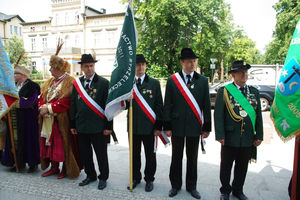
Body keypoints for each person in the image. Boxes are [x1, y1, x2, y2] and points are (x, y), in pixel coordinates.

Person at [163, 48, 211, 199]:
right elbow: (167, 105)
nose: (193, 64)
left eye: (194, 61)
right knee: (176, 157)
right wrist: (167, 126)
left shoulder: (202, 80)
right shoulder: (172, 80)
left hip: (194, 125)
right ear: (182, 62)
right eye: (190, 61)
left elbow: (206, 105)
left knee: (192, 157)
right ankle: (175, 185)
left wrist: (207, 126)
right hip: (176, 125)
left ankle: (192, 186)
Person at [214, 60, 263, 200]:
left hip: (247, 137)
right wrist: (220, 135)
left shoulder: (254, 92)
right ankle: (225, 190)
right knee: (226, 166)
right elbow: (218, 115)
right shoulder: (224, 91)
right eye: (241, 72)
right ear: (233, 74)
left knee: (242, 166)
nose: (244, 74)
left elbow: (258, 115)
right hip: (230, 137)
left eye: (245, 72)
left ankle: (238, 190)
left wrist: (258, 135)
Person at [38, 41, 81, 179]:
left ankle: (65, 168)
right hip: (48, 119)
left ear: (58, 68)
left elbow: (67, 101)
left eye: (51, 68)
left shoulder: (70, 82)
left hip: (61, 120)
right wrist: (42, 108)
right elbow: (42, 96)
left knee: (62, 145)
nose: (50, 70)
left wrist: (49, 109)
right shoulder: (49, 82)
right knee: (49, 145)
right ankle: (54, 167)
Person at [70, 54, 113, 190]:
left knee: (101, 154)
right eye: (86, 66)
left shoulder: (103, 83)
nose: (89, 68)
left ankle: (103, 177)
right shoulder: (77, 84)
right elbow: (73, 105)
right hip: (82, 125)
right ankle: (90, 175)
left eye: (91, 66)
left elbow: (109, 106)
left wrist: (108, 126)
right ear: (81, 68)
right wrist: (73, 124)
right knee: (85, 153)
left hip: (99, 126)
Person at [126, 54, 163, 192]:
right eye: (137, 64)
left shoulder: (154, 83)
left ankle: (149, 179)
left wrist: (158, 126)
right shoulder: (128, 83)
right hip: (133, 126)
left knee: (150, 155)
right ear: (134, 66)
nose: (140, 67)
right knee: (134, 154)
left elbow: (159, 106)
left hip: (149, 128)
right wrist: (125, 100)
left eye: (143, 64)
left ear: (146, 66)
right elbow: (122, 106)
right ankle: (135, 177)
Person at [2, 64, 40, 173]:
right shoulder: (13, 85)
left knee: (28, 141)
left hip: (27, 119)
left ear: (22, 75)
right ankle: (17, 162)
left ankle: (32, 164)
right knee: (14, 140)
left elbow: (30, 101)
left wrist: (14, 103)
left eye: (16, 73)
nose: (14, 75)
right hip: (14, 117)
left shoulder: (32, 86)